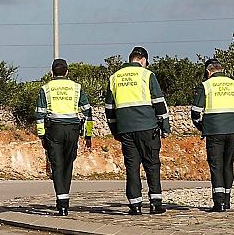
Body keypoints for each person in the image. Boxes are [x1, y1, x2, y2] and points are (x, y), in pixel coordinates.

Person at [105, 46, 170, 214]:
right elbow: (159, 102)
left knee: (132, 167)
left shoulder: (114, 77)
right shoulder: (147, 75)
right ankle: (155, 203)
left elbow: (109, 109)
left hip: (126, 129)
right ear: (143, 60)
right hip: (148, 127)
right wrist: (165, 126)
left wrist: (115, 130)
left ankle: (135, 205)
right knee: (152, 164)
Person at [191, 59, 234, 212]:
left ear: (208, 71)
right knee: (228, 164)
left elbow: (195, 112)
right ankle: (227, 199)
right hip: (233, 131)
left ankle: (219, 203)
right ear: (222, 69)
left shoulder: (206, 85)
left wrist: (202, 126)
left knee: (216, 165)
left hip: (214, 131)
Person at [34, 59, 92, 215]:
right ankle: (64, 198)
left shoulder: (46, 88)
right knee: (68, 163)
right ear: (67, 72)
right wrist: (88, 135)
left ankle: (62, 202)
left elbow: (39, 113)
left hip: (54, 129)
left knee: (57, 165)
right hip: (73, 129)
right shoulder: (76, 87)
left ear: (52, 72)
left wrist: (41, 135)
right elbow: (87, 111)